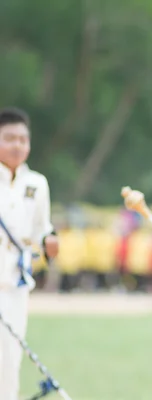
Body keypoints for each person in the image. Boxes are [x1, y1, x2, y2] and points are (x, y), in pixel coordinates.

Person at [0, 107, 59, 400]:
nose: (17, 145)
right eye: (9, 138)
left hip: (15, 284)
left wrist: (50, 242)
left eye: (23, 139)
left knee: (9, 360)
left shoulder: (37, 183)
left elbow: (42, 229)